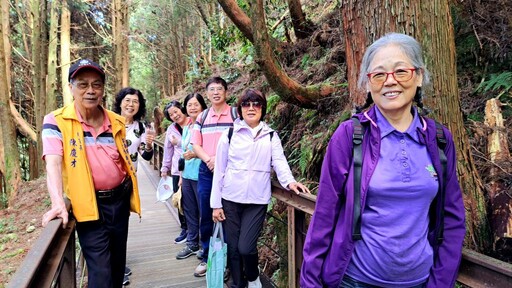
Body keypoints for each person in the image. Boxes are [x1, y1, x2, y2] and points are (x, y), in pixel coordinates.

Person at [300, 33, 466, 288]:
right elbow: (325, 215)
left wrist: (440, 282)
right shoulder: (350, 136)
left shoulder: (439, 140)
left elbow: (452, 218)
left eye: (401, 71)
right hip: (355, 280)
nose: (390, 82)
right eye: (379, 74)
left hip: (420, 282)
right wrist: (310, 282)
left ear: (419, 76)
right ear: (368, 84)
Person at [41, 59, 141, 288]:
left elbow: (122, 158)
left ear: (103, 89)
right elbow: (54, 163)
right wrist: (57, 202)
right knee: (101, 274)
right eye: (83, 84)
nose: (90, 90)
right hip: (88, 205)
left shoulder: (115, 121)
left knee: (117, 268)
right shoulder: (56, 121)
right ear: (71, 87)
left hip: (119, 201)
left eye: (96, 84)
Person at [211, 88, 310, 288]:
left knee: (246, 247)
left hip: (256, 201)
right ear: (240, 109)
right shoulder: (229, 134)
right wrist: (216, 204)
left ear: (262, 109)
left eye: (256, 104)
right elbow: (220, 169)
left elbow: (280, 163)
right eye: (246, 104)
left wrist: (290, 182)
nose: (251, 108)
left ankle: (252, 275)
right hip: (230, 198)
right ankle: (238, 284)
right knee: (234, 248)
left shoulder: (270, 136)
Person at [191, 76, 238, 277]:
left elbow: (240, 141)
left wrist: (218, 161)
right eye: (212, 89)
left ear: (226, 92)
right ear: (207, 94)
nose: (216, 92)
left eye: (220, 89)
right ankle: (207, 256)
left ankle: (227, 261)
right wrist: (209, 160)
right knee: (206, 212)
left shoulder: (236, 114)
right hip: (206, 170)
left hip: (229, 170)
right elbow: (195, 144)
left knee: (228, 214)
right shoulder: (202, 117)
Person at [113, 87, 155, 285]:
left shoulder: (140, 127)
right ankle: (112, 267)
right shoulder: (108, 121)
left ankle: (118, 265)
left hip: (127, 182)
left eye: (135, 102)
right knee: (107, 226)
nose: (131, 104)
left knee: (121, 225)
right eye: (127, 100)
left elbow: (146, 156)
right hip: (105, 181)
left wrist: (148, 145)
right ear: (120, 102)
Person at [175, 93, 208, 260]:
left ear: (202, 106)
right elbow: (182, 152)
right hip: (187, 175)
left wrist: (195, 155)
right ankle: (192, 242)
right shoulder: (187, 127)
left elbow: (211, 150)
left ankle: (205, 246)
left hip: (201, 175)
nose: (193, 108)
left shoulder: (207, 125)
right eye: (189, 105)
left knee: (204, 213)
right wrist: (181, 176)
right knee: (190, 211)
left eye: (196, 104)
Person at [161, 100, 188, 244]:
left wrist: (180, 142)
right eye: (171, 114)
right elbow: (168, 150)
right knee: (179, 200)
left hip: (193, 169)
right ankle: (185, 228)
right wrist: (165, 168)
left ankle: (194, 230)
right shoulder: (171, 129)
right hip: (178, 170)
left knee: (192, 201)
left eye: (176, 111)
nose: (175, 115)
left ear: (181, 109)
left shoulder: (193, 122)